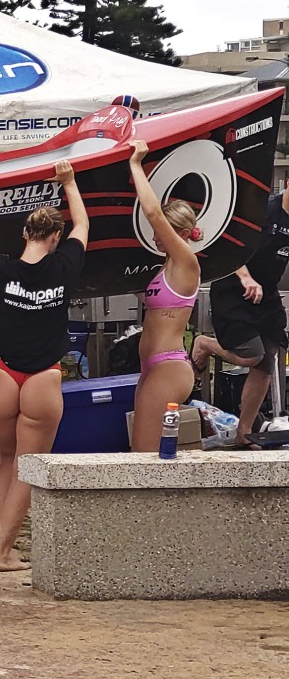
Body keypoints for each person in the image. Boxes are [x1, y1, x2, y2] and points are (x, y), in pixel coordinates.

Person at [0, 162, 88, 571]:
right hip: (42, 378)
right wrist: (69, 184)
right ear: (55, 238)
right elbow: (83, 224)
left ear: (24, 234)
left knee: (7, 459)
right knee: (28, 468)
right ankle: (3, 552)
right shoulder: (64, 266)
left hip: (1, 372)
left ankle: (0, 540)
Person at [192, 189, 289, 443]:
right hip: (233, 289)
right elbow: (226, 244)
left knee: (266, 362)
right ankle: (205, 344)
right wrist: (245, 277)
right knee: (252, 354)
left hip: (266, 294)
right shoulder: (262, 210)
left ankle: (243, 434)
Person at [128, 140, 203, 451]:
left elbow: (153, 213)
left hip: (169, 367)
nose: (155, 237)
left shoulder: (187, 262)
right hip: (152, 365)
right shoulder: (167, 266)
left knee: (142, 454)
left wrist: (136, 165)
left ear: (182, 234)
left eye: (162, 233)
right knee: (143, 452)